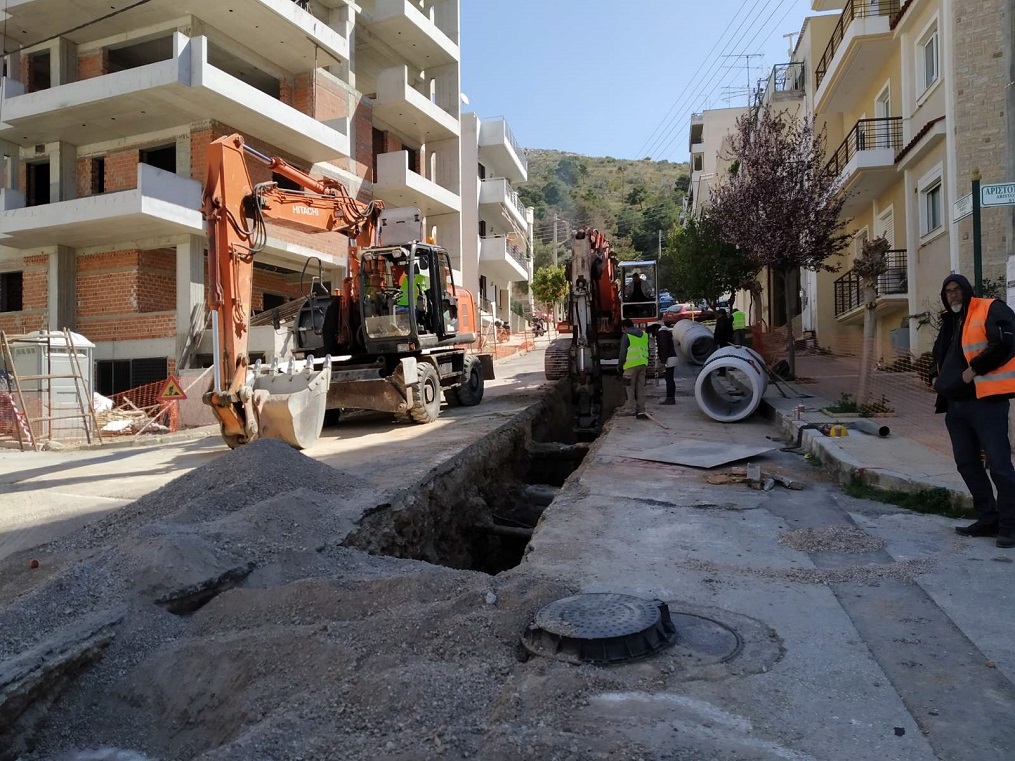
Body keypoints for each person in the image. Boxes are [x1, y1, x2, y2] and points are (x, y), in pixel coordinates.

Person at [931, 274, 1015, 548]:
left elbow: (1006, 341)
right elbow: (938, 353)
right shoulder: (949, 321)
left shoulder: (990, 308)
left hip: (986, 401)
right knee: (966, 463)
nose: (953, 294)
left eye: (957, 289)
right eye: (948, 291)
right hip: (956, 405)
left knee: (999, 465)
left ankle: (1010, 526)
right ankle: (988, 518)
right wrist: (934, 376)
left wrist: (974, 370)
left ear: (967, 290)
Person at [618, 318, 649, 418]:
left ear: (624, 327)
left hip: (630, 365)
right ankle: (641, 409)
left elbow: (623, 352)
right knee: (640, 388)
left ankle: (630, 409)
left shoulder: (626, 335)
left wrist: (620, 366)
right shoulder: (644, 335)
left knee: (629, 388)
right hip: (643, 364)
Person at [650, 322, 676, 405]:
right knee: (670, 379)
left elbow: (664, 349)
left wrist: (663, 362)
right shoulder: (665, 333)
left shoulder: (661, 335)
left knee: (669, 379)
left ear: (655, 330)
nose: (653, 335)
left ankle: (670, 399)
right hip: (672, 358)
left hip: (669, 359)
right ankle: (671, 398)